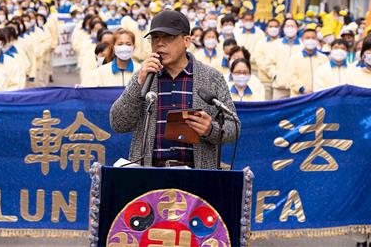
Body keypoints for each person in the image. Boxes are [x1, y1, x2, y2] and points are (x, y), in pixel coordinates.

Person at [110, 10, 239, 169]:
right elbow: (118, 123)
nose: (160, 44)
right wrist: (138, 83)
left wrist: (210, 129)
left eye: (168, 37)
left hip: (196, 174)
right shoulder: (143, 76)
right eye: (155, 38)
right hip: (149, 173)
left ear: (187, 41)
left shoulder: (211, 77)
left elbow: (234, 126)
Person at [287, 25, 328, 97]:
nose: (310, 40)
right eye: (307, 38)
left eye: (313, 38)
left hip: (319, 96)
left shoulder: (324, 58)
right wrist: (302, 89)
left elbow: (327, 76)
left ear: (317, 40)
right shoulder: (294, 58)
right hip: (299, 96)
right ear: (302, 40)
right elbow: (291, 77)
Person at [268, 18, 303, 99]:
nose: (290, 28)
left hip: (296, 90)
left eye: (292, 26)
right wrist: (275, 75)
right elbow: (269, 63)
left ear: (297, 28)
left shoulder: (302, 46)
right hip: (279, 87)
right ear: (283, 29)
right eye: (287, 26)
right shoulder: (276, 44)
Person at [254, 19, 281, 100]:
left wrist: (279, 75)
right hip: (265, 81)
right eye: (271, 26)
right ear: (266, 29)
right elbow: (260, 61)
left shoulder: (283, 43)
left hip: (280, 82)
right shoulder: (260, 43)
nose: (273, 28)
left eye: (276, 26)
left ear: (280, 29)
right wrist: (273, 73)